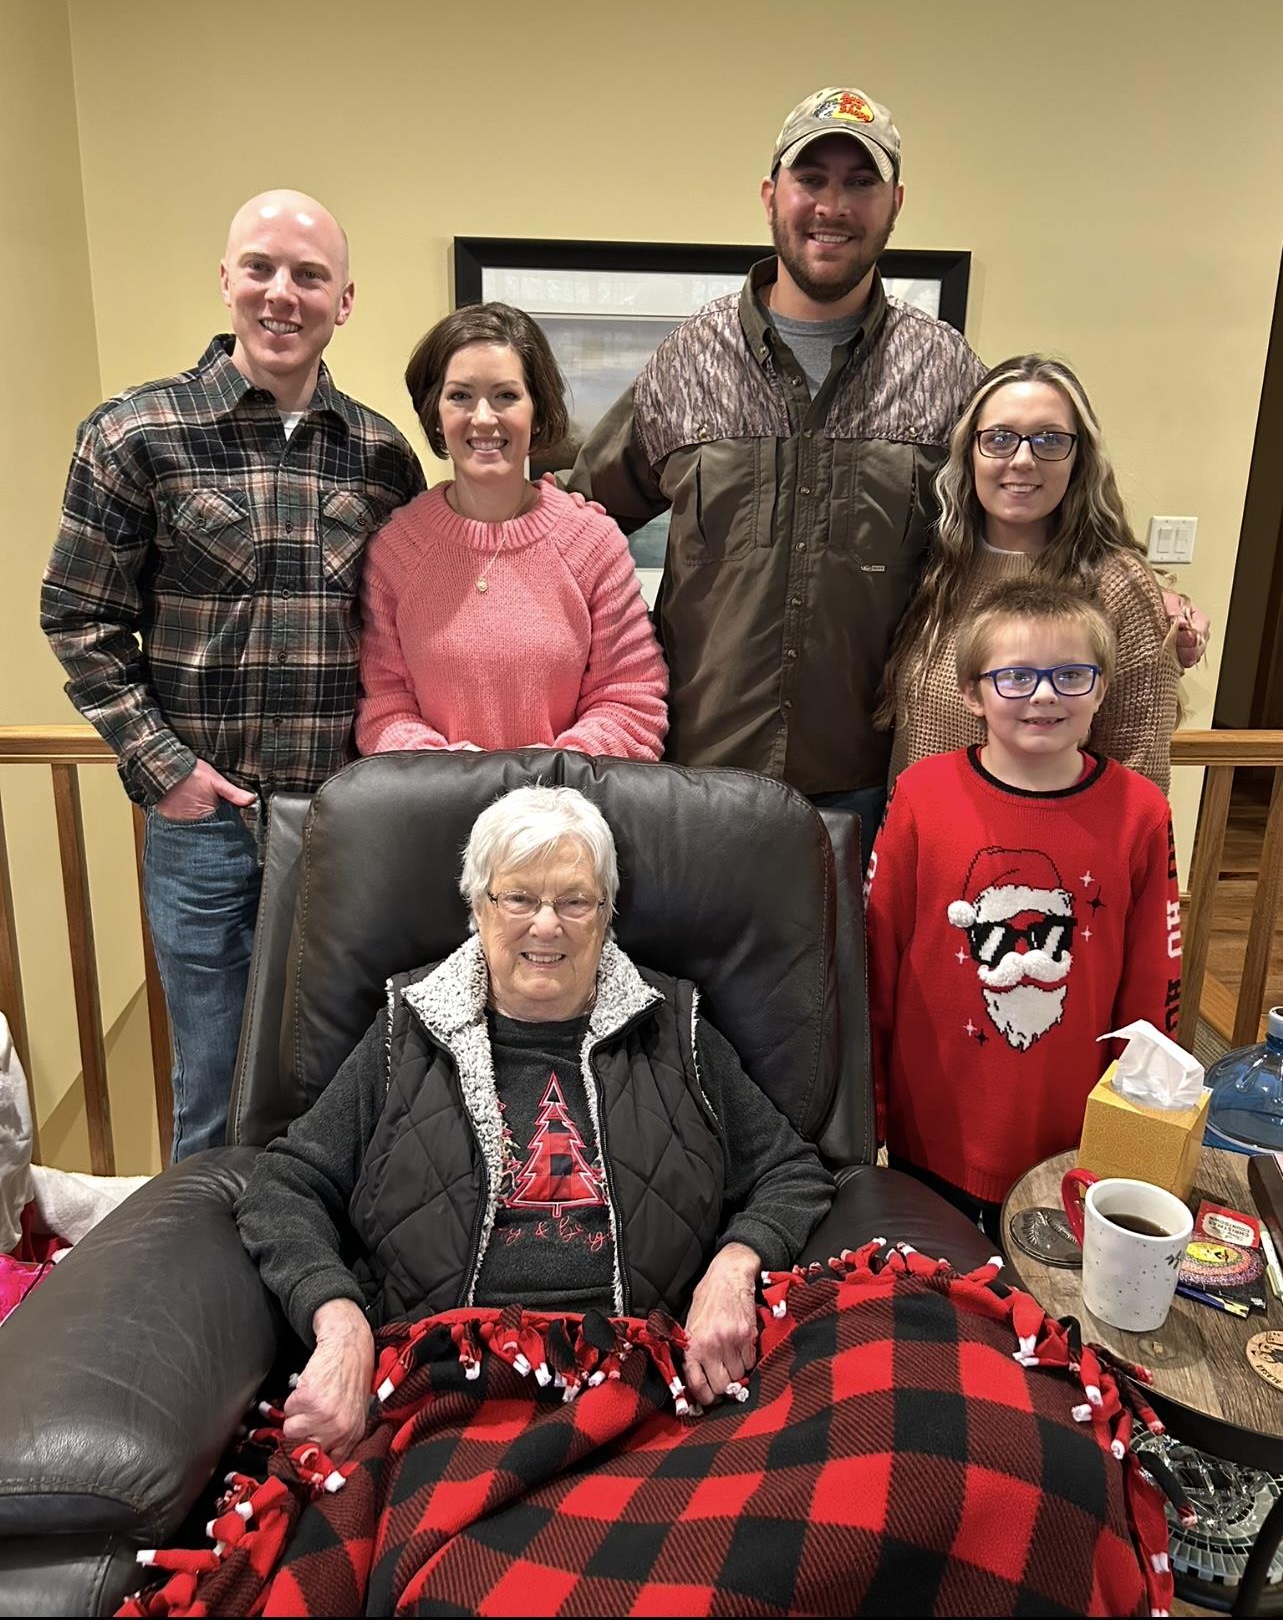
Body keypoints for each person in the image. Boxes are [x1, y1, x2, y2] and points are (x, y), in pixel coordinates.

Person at [235, 784, 834, 1452]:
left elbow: (790, 1171)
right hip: (451, 1387)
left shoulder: (674, 1026)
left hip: (648, 1379)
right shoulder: (404, 1030)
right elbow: (284, 1185)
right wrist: (339, 1320)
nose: (545, 925)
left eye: (574, 901)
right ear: (476, 908)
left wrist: (732, 1270)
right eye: (517, 898)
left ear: (606, 914)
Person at [40, 191, 425, 1161]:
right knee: (212, 1087)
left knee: (344, 1075)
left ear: (344, 300)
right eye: (259, 268)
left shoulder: (380, 456)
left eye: (308, 275)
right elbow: (79, 615)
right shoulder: (136, 434)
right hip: (205, 827)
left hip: (340, 827)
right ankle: (207, 1295)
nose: (280, 294)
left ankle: (320, 1290)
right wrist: (164, 767)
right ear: (225, 281)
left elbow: (403, 629)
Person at [564, 86, 987, 850]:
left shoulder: (945, 374)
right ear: (771, 196)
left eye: (859, 183)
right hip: (696, 771)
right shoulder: (688, 363)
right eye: (811, 179)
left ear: (894, 203)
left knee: (850, 975)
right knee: (698, 973)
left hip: (873, 785)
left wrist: (1138, 591)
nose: (832, 205)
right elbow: (572, 525)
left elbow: (1023, 522)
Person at [866, 579, 1182, 1232]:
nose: (1042, 695)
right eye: (1013, 677)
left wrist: (1135, 1128)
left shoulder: (1140, 815)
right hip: (928, 1135)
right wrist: (864, 1112)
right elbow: (874, 960)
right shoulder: (921, 796)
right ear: (971, 694)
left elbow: (1154, 987)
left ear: (1099, 689)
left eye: (1069, 675)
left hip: (1069, 1143)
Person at [356, 305, 666, 759]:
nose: (483, 418)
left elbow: (631, 700)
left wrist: (540, 788)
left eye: (505, 395)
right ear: (435, 413)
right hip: (434, 816)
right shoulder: (396, 551)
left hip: (565, 818)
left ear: (537, 411)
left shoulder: (592, 543)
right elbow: (383, 708)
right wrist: (460, 779)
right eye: (460, 396)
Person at [882, 355, 1190, 794]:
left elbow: (1138, 775)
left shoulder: (1117, 585)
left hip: (1045, 856)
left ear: (1077, 457)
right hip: (919, 843)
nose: (1024, 459)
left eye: (1049, 439)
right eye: (1000, 438)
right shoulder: (936, 564)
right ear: (970, 451)